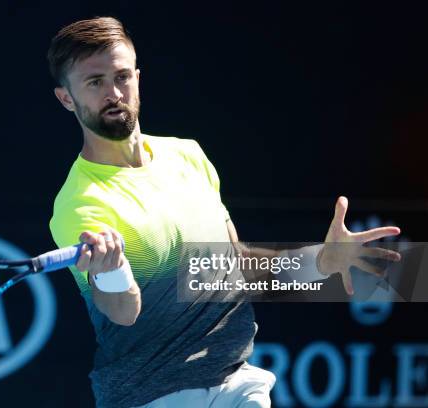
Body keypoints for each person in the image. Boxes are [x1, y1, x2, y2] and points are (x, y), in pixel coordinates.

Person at [47, 17, 400, 408]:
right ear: (66, 98)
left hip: (237, 381)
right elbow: (123, 313)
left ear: (138, 78)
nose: (114, 93)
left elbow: (236, 268)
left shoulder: (188, 155)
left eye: (122, 76)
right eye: (95, 82)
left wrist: (322, 261)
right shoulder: (81, 204)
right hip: (152, 397)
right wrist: (111, 271)